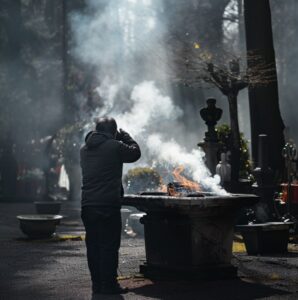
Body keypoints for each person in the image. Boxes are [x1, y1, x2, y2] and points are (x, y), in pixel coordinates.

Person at [80, 117, 141, 295]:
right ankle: (109, 285)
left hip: (88, 205)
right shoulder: (114, 146)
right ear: (113, 131)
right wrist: (127, 137)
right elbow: (135, 153)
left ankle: (97, 285)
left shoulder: (84, 149)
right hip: (107, 205)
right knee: (108, 246)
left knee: (93, 247)